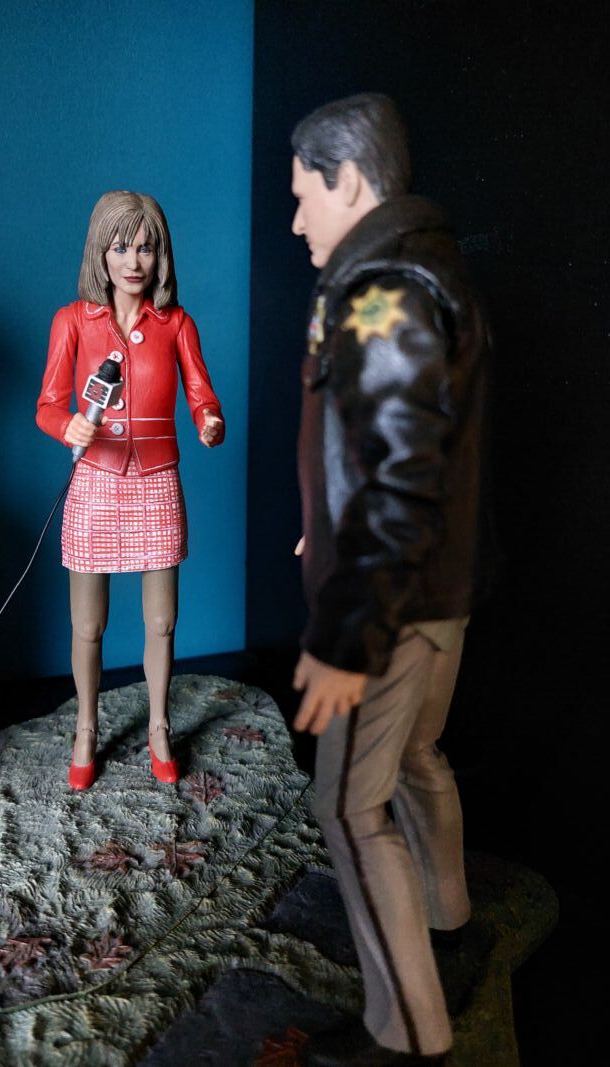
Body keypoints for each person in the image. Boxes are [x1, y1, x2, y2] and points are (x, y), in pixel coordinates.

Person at [289, 95, 488, 1065]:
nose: (296, 222)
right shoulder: (427, 269)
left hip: (390, 605)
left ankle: (408, 1031)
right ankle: (450, 922)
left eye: (304, 196)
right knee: (414, 755)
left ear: (351, 181)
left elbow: (402, 475)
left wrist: (346, 634)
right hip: (436, 586)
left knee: (344, 805)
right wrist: (326, 527)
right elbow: (395, 449)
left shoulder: (384, 290)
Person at [36, 190, 224, 790]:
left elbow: (201, 391)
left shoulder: (176, 324)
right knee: (87, 625)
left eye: (145, 247)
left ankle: (159, 726)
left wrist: (209, 421)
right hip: (95, 478)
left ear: (159, 254)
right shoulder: (72, 320)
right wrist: (67, 424)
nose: (133, 260)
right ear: (101, 251)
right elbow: (47, 403)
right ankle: (86, 728)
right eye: (120, 247)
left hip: (157, 479)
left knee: (162, 621)